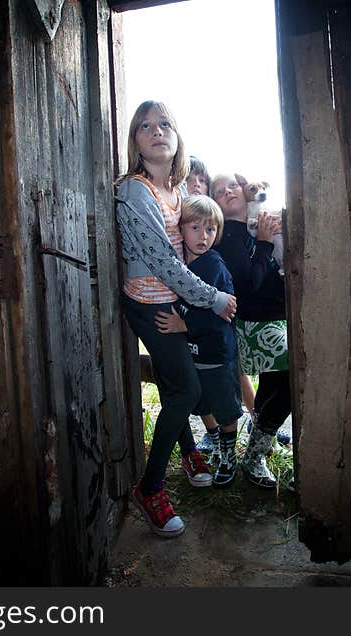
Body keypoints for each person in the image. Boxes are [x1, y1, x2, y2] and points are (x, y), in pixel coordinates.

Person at [115, 101, 237, 537]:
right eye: (145, 126)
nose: (156, 131)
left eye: (165, 124)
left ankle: (188, 449)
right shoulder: (134, 191)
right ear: (135, 141)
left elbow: (197, 241)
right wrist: (214, 299)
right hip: (152, 302)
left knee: (173, 380)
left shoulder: (181, 192)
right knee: (186, 388)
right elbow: (164, 264)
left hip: (178, 301)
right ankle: (150, 488)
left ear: (177, 136)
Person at [210, 174, 292, 490]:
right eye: (218, 191)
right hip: (255, 322)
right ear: (216, 204)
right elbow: (247, 285)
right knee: (288, 377)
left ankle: (259, 432)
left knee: (276, 382)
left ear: (245, 192)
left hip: (283, 312)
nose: (227, 191)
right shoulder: (227, 237)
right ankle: (256, 452)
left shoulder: (265, 219)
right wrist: (265, 244)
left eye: (232, 186)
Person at [155, 195, 243, 487]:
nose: (203, 236)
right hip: (193, 354)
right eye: (195, 228)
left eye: (210, 229)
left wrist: (184, 324)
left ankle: (229, 454)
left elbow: (221, 314)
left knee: (225, 406)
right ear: (180, 229)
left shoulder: (213, 265)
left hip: (216, 354)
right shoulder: (178, 264)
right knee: (201, 403)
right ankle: (215, 440)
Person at [179, 156, 222, 458]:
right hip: (187, 317)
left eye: (202, 180)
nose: (196, 184)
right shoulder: (181, 225)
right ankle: (213, 433)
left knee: (224, 374)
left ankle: (235, 428)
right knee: (192, 378)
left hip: (213, 314)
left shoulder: (209, 247)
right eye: (189, 179)